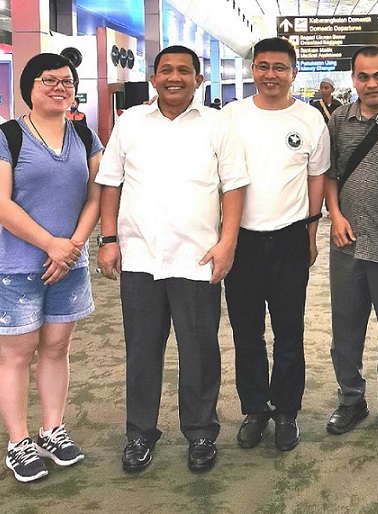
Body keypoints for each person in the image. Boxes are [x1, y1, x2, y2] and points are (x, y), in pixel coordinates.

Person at [95, 45, 248, 473]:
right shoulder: (130, 122)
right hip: (139, 257)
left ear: (198, 79)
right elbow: (110, 183)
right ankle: (139, 434)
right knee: (142, 351)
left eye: (184, 70)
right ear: (153, 77)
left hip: (196, 258)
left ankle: (200, 433)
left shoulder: (218, 124)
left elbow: (235, 186)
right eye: (166, 70)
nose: (174, 77)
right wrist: (108, 239)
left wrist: (227, 242)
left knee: (199, 351)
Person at [0, 53, 103, 482]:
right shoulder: (7, 136)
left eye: (67, 81)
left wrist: (72, 247)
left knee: (56, 348)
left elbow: (96, 196)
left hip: (68, 264)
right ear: (29, 86)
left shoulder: (85, 135)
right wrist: (51, 244)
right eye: (48, 80)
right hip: (15, 265)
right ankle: (18, 442)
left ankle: (52, 430)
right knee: (16, 354)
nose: (59, 87)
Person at [220, 37, 329, 452]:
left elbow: (316, 177)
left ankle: (286, 411)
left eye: (280, 67)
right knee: (246, 331)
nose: (271, 75)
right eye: (263, 66)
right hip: (242, 241)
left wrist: (311, 232)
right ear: (253, 70)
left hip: (290, 238)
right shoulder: (232, 116)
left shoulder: (310, 119)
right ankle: (255, 410)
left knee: (289, 331)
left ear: (293, 73)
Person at [323, 45, 378, 439]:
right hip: (347, 244)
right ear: (353, 80)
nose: (372, 83)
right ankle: (351, 399)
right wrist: (335, 215)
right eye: (364, 76)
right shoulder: (339, 120)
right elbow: (328, 174)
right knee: (345, 327)